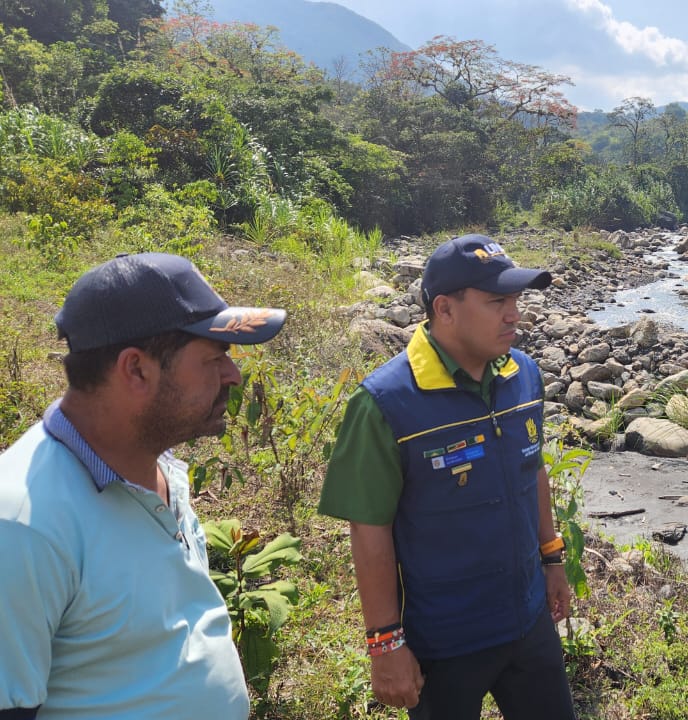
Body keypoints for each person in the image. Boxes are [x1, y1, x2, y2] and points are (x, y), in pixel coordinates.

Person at [0, 252, 287, 719]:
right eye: (213, 359)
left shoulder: (158, 466)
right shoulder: (23, 523)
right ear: (135, 369)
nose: (233, 376)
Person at [319, 234, 575, 719]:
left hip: (527, 619)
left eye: (516, 300)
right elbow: (369, 529)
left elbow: (532, 469)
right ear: (445, 309)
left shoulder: (523, 376)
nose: (514, 314)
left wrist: (551, 557)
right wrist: (384, 644)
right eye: (497, 300)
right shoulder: (386, 403)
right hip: (445, 640)